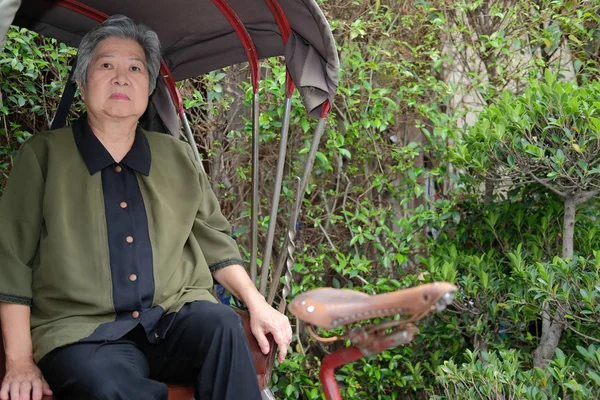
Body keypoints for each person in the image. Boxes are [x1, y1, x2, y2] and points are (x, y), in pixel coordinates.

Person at [0, 14, 291, 400]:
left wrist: (259, 304)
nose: (121, 78)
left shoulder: (178, 157)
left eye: (135, 68)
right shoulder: (43, 156)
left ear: (149, 86)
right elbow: (12, 262)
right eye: (106, 65)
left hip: (173, 318)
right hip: (81, 333)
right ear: (82, 81)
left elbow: (215, 243)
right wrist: (19, 361)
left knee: (222, 324)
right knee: (111, 387)